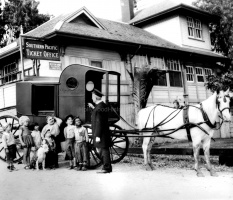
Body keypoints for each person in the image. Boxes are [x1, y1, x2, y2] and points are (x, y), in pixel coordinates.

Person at [88, 89, 112, 173]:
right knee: (103, 150)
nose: (92, 98)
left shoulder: (99, 107)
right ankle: (106, 167)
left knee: (103, 150)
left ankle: (106, 168)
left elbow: (99, 123)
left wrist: (97, 135)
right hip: (103, 133)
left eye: (92, 96)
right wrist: (93, 108)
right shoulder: (101, 106)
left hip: (101, 134)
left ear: (96, 97)